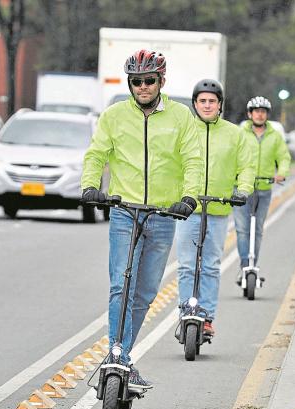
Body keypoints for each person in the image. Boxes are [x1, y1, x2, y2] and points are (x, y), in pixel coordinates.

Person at [81, 49, 203, 390]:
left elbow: (193, 160)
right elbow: (96, 153)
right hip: (124, 211)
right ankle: (117, 354)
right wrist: (91, 186)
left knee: (145, 292)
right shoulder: (114, 116)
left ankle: (123, 355)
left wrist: (189, 197)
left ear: (161, 81)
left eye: (149, 80)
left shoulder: (181, 117)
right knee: (122, 284)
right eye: (136, 81)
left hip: (164, 215)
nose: (143, 86)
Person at [175, 79, 254, 337]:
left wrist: (242, 190)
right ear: (195, 104)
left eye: (212, 101)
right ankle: (186, 311)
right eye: (202, 101)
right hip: (187, 209)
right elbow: (170, 164)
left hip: (218, 211)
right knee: (187, 265)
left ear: (220, 104)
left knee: (209, 266)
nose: (207, 105)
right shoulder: (184, 130)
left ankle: (207, 317)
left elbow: (246, 167)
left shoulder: (235, 134)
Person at [234, 96, 291, 282]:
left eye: (263, 111)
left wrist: (281, 172)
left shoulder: (275, 136)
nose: (259, 114)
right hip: (242, 189)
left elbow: (283, 157)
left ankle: (253, 265)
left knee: (257, 230)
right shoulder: (240, 133)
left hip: (264, 189)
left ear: (267, 115)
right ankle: (245, 266)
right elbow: (231, 154)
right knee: (243, 229)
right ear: (250, 114)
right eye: (256, 111)